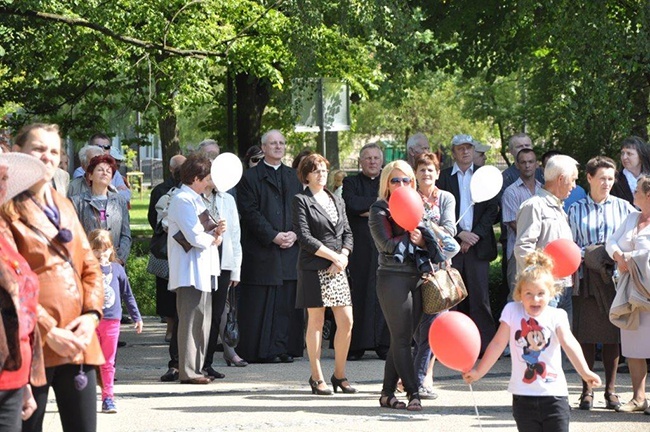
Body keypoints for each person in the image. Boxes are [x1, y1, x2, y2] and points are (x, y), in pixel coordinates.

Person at [6, 123, 104, 432]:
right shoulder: (6, 208)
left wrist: (90, 317)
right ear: (17, 154)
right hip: (32, 342)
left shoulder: (65, 204)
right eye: (38, 149)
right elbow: (11, 285)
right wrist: (49, 330)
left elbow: (90, 266)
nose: (47, 157)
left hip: (78, 341)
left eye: (54, 151)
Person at [462, 250, 602, 432]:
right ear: (519, 293)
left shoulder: (557, 315)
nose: (535, 299)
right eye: (528, 293)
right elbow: (498, 343)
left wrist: (585, 371)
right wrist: (479, 371)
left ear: (551, 293)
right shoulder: (512, 311)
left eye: (540, 293)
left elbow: (569, 343)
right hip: (523, 397)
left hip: (554, 396)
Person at [369, 160, 445, 412]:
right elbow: (387, 245)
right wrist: (411, 235)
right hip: (392, 278)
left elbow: (436, 251)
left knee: (399, 340)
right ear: (386, 184)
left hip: (417, 278)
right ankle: (414, 392)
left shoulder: (417, 206)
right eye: (395, 180)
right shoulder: (379, 209)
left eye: (406, 180)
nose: (401, 185)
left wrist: (423, 239)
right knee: (403, 340)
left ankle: (386, 394)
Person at [567, 156, 634, 411]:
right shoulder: (575, 209)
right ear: (589, 178)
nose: (607, 183)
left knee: (611, 335)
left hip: (614, 278)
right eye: (602, 178)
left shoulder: (624, 208)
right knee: (584, 334)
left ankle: (611, 391)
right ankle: (586, 390)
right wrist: (589, 254)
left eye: (610, 178)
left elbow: (631, 240)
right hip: (584, 276)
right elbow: (569, 243)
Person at [236, 129, 304, 363]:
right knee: (262, 304)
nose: (278, 147)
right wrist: (273, 236)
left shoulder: (295, 176)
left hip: (290, 250)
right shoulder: (250, 178)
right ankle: (262, 351)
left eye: (281, 143)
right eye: (272, 143)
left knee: (286, 303)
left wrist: (295, 233)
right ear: (263, 148)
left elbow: (302, 209)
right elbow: (250, 212)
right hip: (263, 250)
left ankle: (284, 348)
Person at [293, 153, 355, 396]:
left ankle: (339, 375)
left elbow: (348, 232)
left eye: (324, 170)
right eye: (316, 170)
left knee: (347, 321)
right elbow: (305, 237)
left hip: (338, 266)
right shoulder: (301, 200)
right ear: (306, 175)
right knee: (316, 322)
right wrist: (334, 257)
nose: (322, 174)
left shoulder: (336, 199)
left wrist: (344, 256)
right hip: (314, 267)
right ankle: (316, 376)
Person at [436, 134, 499, 354]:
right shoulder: (442, 178)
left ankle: (486, 346)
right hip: (450, 246)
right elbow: (437, 211)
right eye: (460, 148)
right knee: (451, 298)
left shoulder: (483, 177)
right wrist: (460, 235)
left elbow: (492, 209)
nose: (465, 152)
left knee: (480, 298)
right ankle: (450, 345)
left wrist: (474, 236)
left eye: (469, 148)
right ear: (453, 152)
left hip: (478, 247)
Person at [167, 153, 224, 384]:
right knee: (190, 320)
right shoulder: (182, 199)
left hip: (202, 266)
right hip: (189, 269)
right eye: (207, 177)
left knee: (202, 319)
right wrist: (212, 237)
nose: (209, 182)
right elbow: (194, 235)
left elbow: (205, 232)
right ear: (196, 178)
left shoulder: (196, 199)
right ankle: (188, 370)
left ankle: (197, 368)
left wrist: (216, 233)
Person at [0, 151, 47, 429]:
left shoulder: (4, 231)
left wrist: (26, 381)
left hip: (14, 377)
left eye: (4, 178)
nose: (2, 186)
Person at [412, 152, 460, 400]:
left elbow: (451, 230)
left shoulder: (446, 198)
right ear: (415, 173)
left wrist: (426, 228)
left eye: (430, 169)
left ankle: (423, 377)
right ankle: (413, 375)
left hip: (439, 271)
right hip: (413, 269)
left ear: (438, 173)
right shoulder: (409, 197)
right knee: (417, 329)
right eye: (422, 169)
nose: (426, 174)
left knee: (434, 328)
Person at [514, 154, 579, 325]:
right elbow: (523, 248)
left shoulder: (558, 206)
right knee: (542, 345)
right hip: (543, 291)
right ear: (561, 179)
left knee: (561, 345)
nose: (574, 185)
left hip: (563, 287)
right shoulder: (534, 206)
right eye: (572, 180)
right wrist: (538, 282)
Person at [200, 142, 247, 374]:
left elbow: (236, 236)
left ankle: (207, 363)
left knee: (217, 314)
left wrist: (235, 270)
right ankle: (187, 361)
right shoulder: (195, 197)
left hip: (223, 261)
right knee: (199, 313)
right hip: (200, 260)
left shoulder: (227, 199)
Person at [606, 175, 650, 414]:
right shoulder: (632, 217)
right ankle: (638, 398)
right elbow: (611, 241)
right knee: (634, 346)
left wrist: (632, 258)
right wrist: (619, 256)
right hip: (629, 291)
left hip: (649, 291)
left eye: (637, 190)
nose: (633, 193)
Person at [343, 142, 390, 360]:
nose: (372, 161)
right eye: (368, 158)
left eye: (376, 158)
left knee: (383, 295)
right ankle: (356, 346)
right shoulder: (350, 182)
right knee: (358, 293)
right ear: (360, 162)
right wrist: (379, 206)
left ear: (382, 161)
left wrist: (368, 209)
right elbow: (351, 204)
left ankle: (383, 344)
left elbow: (393, 205)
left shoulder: (389, 182)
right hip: (360, 247)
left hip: (383, 246)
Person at [87, 229, 143, 414]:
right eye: (96, 250)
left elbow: (128, 294)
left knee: (108, 362)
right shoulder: (86, 269)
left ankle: (108, 398)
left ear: (111, 249)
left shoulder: (117, 269)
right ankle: (83, 400)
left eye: (104, 250)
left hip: (112, 320)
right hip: (90, 321)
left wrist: (137, 317)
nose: (100, 254)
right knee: (87, 362)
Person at [147, 154, 186, 350]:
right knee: (165, 288)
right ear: (172, 169)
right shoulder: (161, 190)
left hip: (184, 248)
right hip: (166, 248)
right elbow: (153, 218)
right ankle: (169, 327)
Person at [70, 154, 132, 265]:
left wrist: (119, 259)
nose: (104, 173)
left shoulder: (120, 201)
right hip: (87, 264)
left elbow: (126, 235)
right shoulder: (76, 202)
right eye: (100, 170)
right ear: (90, 176)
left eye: (108, 171)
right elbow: (73, 235)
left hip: (114, 263)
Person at [502, 149, 543, 298]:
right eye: (523, 162)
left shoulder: (542, 190)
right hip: (517, 253)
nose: (527, 165)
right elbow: (514, 223)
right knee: (516, 295)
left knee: (538, 294)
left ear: (536, 164)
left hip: (542, 252)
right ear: (517, 165)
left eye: (531, 162)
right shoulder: (510, 192)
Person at [73, 133, 131, 202]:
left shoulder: (115, 172)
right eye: (98, 146)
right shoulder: (80, 171)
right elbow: (83, 193)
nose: (103, 150)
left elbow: (126, 195)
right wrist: (115, 189)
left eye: (106, 147)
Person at [611, 136, 650, 206]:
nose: (624, 157)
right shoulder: (614, 180)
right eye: (622, 153)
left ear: (641, 156)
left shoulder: (648, 177)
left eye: (629, 153)